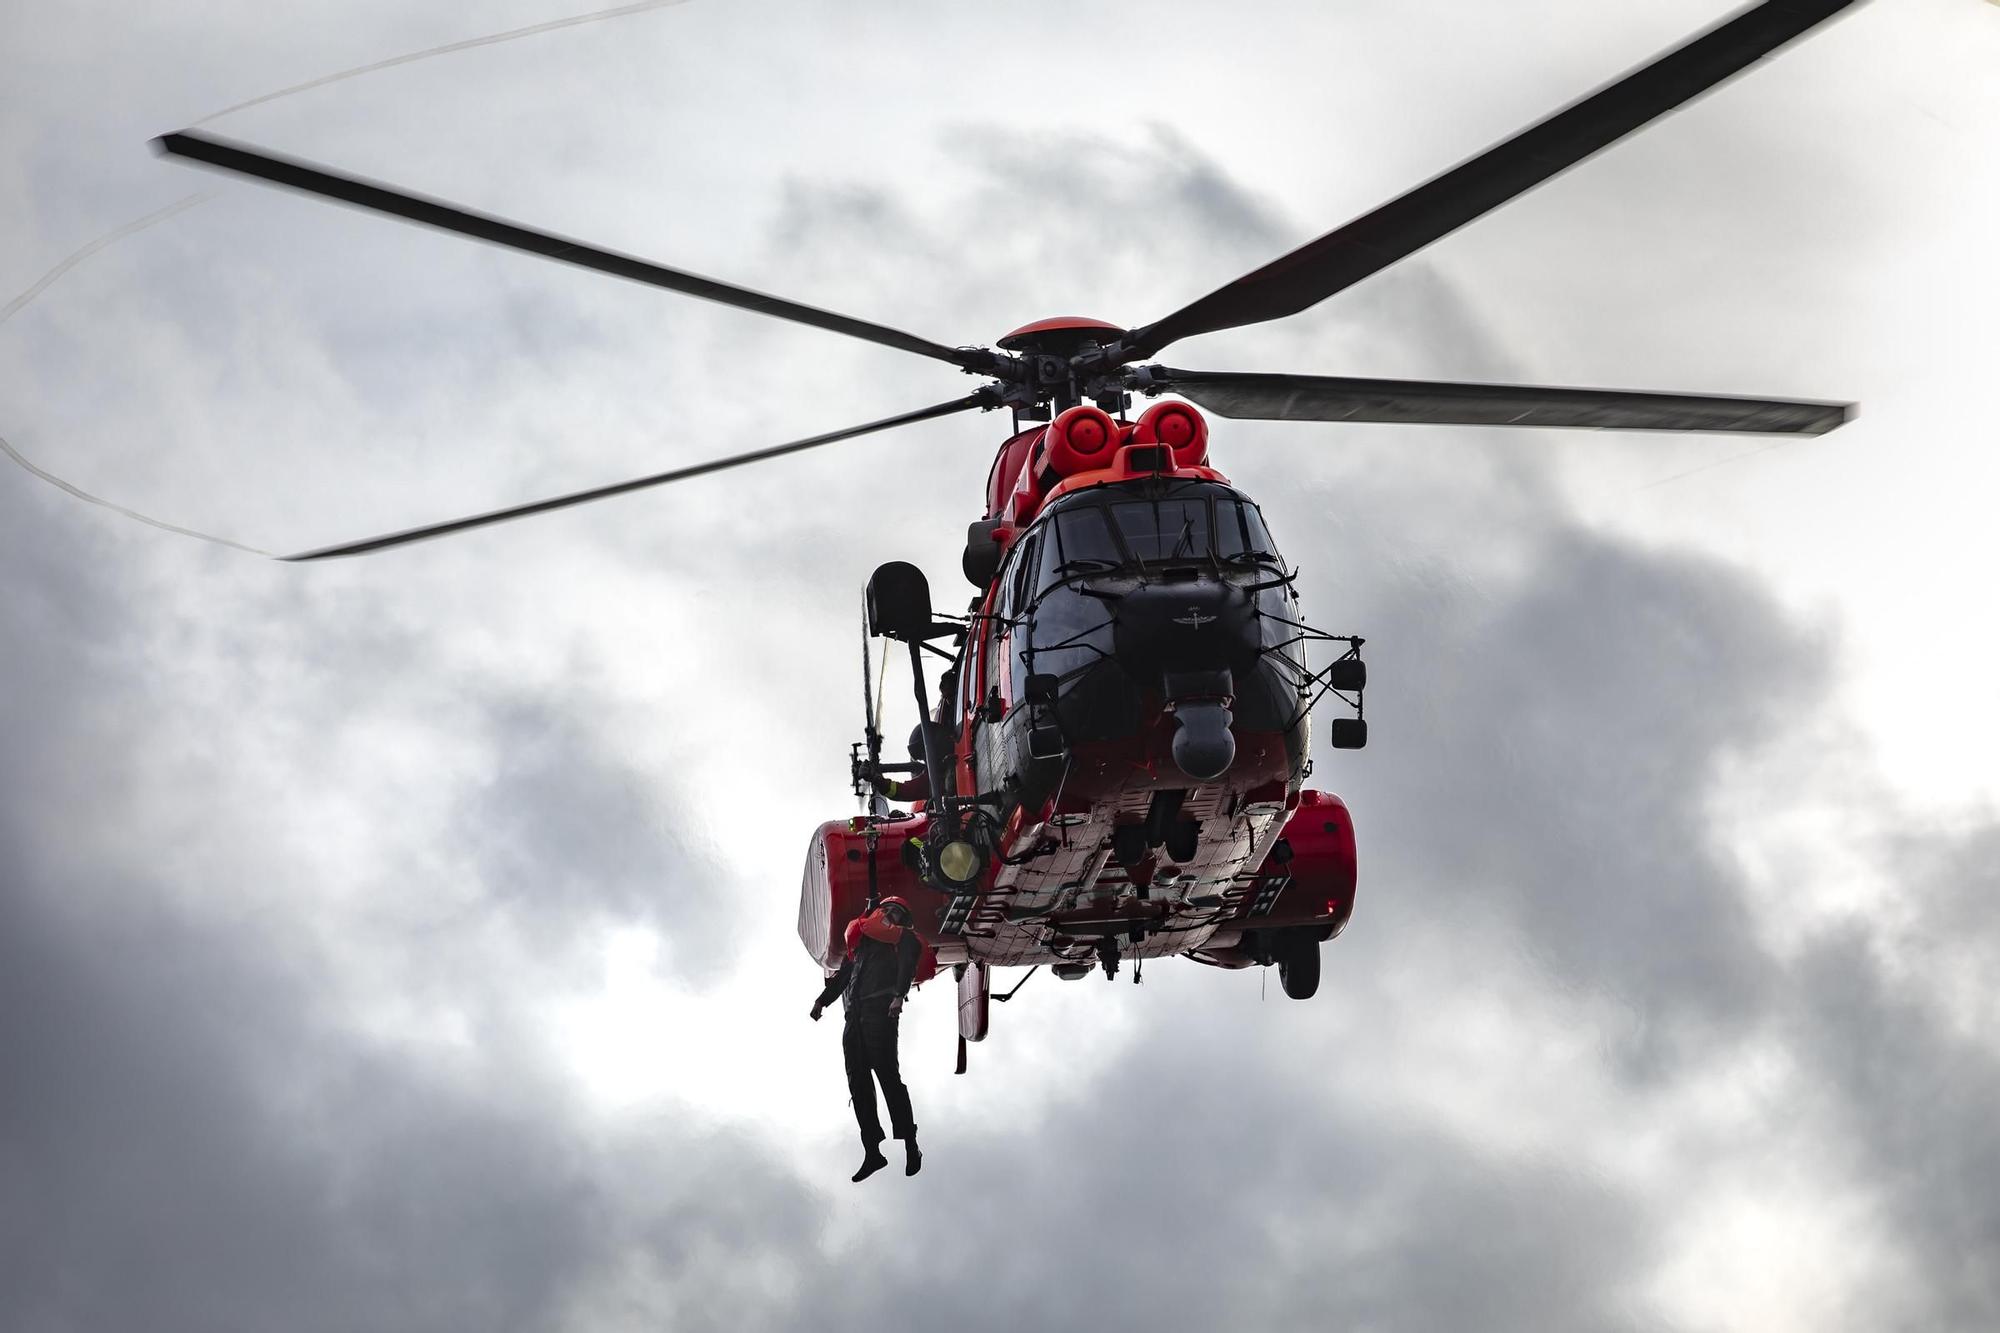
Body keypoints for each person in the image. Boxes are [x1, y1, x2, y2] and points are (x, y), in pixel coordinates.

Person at [811, 896, 928, 1180]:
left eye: (896, 912)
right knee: (858, 1083)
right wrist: (821, 1002)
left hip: (881, 1012)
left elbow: (908, 967)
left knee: (888, 1078)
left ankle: (911, 1143)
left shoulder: (905, 940)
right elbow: (841, 980)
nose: (890, 914)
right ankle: (872, 1152)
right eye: (887, 909)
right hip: (854, 1020)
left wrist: (899, 996)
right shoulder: (860, 948)